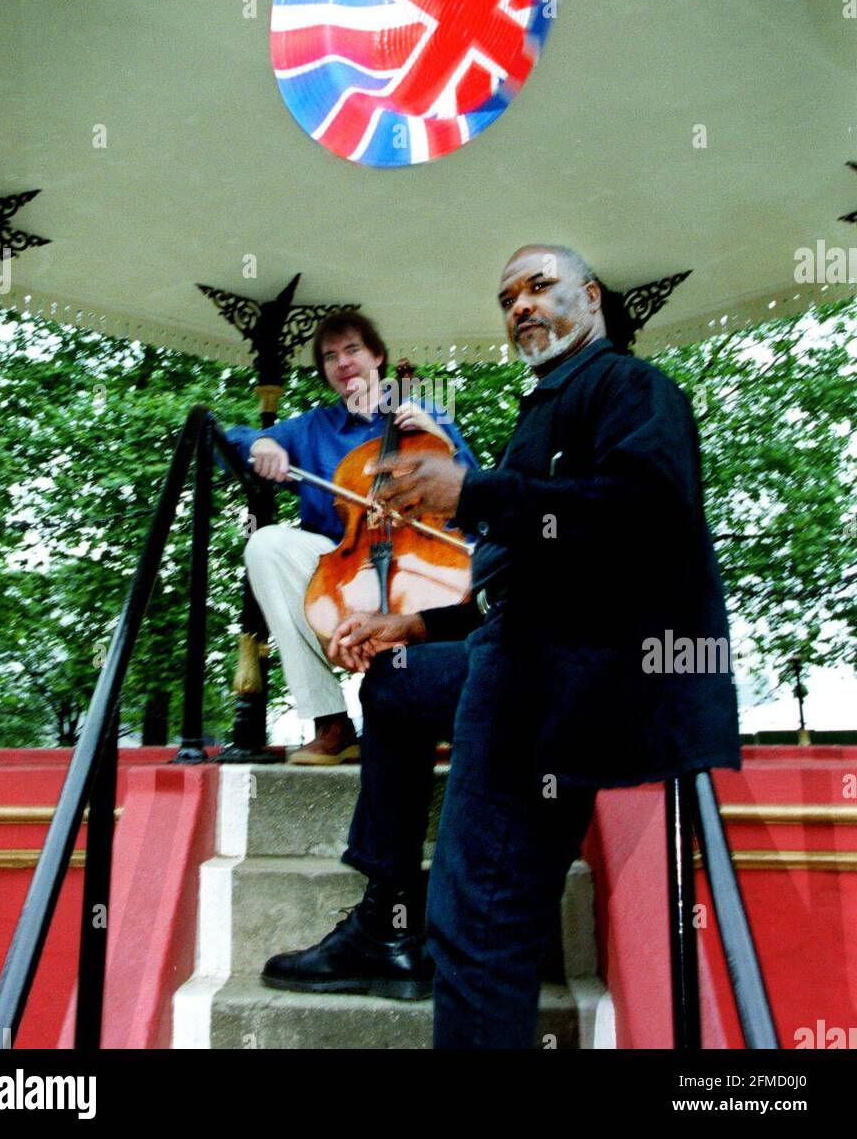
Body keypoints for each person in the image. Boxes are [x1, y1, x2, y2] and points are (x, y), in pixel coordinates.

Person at [260, 245, 742, 1048]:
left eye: (540, 286)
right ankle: (383, 913)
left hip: (560, 685)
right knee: (397, 680)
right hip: (512, 651)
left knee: (478, 922)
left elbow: (645, 513)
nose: (521, 304)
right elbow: (526, 574)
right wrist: (417, 625)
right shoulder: (545, 408)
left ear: (590, 298)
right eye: (508, 295)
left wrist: (473, 491)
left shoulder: (629, 387)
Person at [224, 310, 480, 765]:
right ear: (324, 372)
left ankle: (455, 709)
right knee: (266, 545)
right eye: (329, 356)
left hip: (417, 557)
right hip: (344, 568)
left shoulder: (423, 413)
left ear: (377, 356)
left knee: (480, 567)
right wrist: (260, 445)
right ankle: (331, 722)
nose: (342, 362)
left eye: (352, 350)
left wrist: (440, 435)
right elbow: (231, 440)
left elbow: (478, 493)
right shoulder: (311, 428)